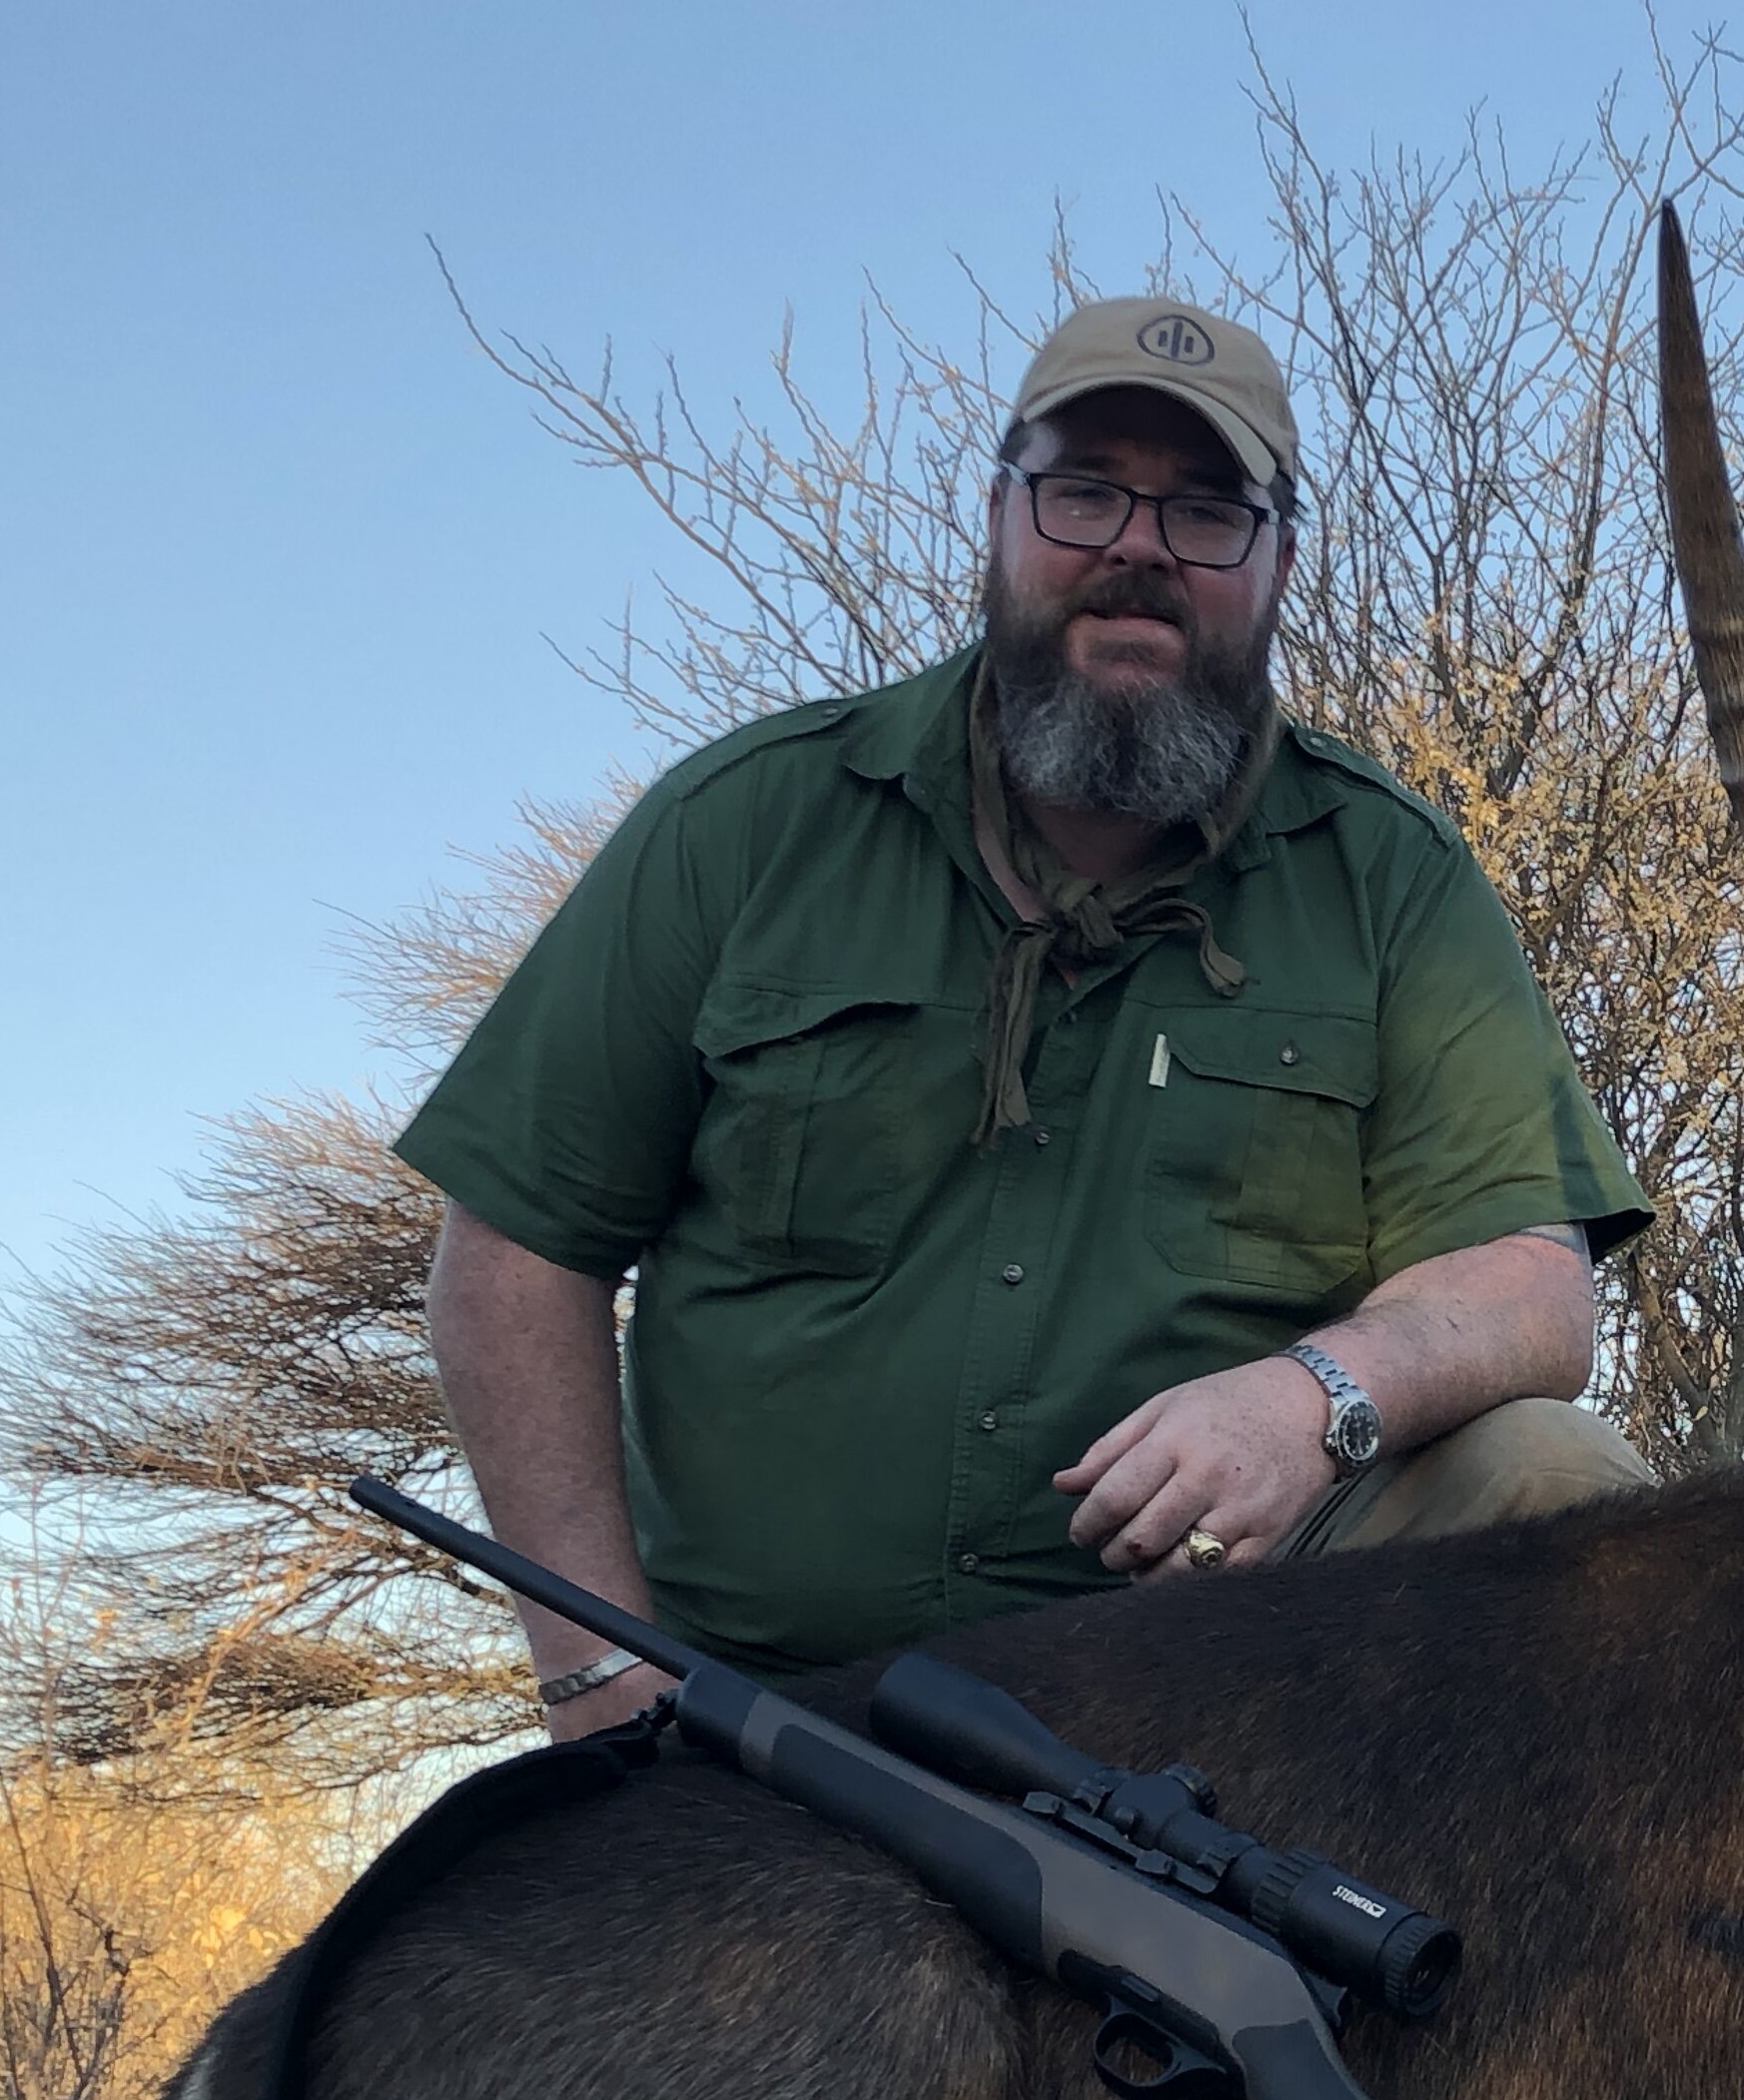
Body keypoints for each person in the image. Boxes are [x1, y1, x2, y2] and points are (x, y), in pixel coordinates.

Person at [398, 295, 1656, 1736]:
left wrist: (1318, 1396)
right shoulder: (742, 822)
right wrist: (599, 1675)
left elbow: (1531, 1284)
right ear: (998, 516)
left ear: (1282, 562)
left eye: (1206, 510)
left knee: (1555, 1479)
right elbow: (514, 1252)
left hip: (1229, 1677)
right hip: (770, 1709)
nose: (1138, 544)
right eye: (1085, 490)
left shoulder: (1393, 876)